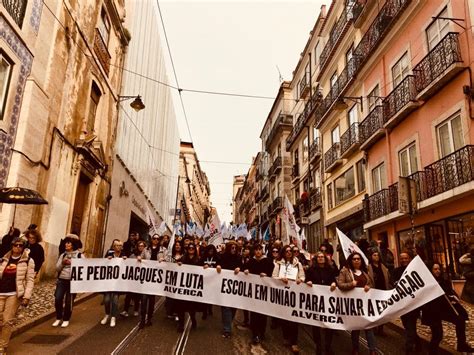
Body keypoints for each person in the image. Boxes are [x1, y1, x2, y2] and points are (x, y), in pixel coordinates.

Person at [422, 263, 474, 354]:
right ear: (431, 271)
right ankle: (432, 352)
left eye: (438, 269)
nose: (437, 271)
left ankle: (461, 344)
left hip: (444, 309)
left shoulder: (443, 281)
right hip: (433, 311)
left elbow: (450, 291)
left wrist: (454, 297)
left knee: (460, 320)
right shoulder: (428, 283)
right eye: (435, 269)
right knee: (438, 335)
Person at [0, 236, 35, 353]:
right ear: (12, 246)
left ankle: (2, 347)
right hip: (1, 292)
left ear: (23, 247)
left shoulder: (28, 260)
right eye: (16, 245)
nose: (18, 247)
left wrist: (27, 296)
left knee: (7, 320)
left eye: (21, 245)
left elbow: (30, 279)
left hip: (14, 294)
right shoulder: (4, 259)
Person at [337, 252, 376, 355]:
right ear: (351, 260)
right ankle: (355, 349)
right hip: (352, 305)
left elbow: (371, 284)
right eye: (354, 259)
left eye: (358, 259)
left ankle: (372, 350)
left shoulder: (365, 272)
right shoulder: (345, 271)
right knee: (356, 328)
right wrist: (351, 284)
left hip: (365, 304)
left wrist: (369, 287)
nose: (356, 260)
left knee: (368, 326)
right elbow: (340, 284)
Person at [272, 244, 305, 353]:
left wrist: (301, 280)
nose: (289, 253)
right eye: (286, 251)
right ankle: (286, 337)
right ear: (283, 253)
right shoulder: (278, 264)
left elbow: (302, 276)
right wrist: (281, 278)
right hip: (283, 293)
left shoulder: (298, 264)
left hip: (294, 293)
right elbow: (274, 277)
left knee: (294, 319)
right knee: (285, 318)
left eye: (290, 251)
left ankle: (294, 342)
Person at [305, 251, 338, 354]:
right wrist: (308, 282)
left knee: (329, 324)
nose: (320, 258)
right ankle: (318, 345)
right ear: (316, 259)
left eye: (322, 257)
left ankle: (328, 345)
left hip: (328, 300)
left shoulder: (331, 270)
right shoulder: (311, 270)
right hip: (315, 300)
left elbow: (335, 280)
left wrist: (333, 283)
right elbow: (307, 280)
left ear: (325, 258)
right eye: (318, 257)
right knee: (316, 324)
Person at [244, 243, 274, 344]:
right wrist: (246, 271)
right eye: (256, 250)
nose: (258, 251)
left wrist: (267, 275)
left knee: (263, 313)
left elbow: (273, 274)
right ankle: (255, 333)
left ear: (262, 251)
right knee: (254, 313)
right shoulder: (250, 261)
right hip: (253, 291)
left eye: (259, 249)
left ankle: (262, 332)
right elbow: (244, 271)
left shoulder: (268, 261)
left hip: (264, 291)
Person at [392, 252, 421, 354]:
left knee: (410, 326)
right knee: (407, 326)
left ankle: (409, 348)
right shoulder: (396, 271)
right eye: (402, 258)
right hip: (402, 304)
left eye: (406, 258)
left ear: (409, 259)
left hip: (413, 304)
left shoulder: (415, 270)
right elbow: (393, 284)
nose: (404, 260)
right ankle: (418, 343)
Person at [53, 234, 83, 328]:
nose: (66, 245)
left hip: (72, 282)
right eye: (66, 243)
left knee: (69, 301)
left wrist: (73, 263)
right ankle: (58, 317)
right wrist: (62, 263)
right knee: (58, 298)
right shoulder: (63, 255)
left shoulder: (80, 255)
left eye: (68, 243)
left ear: (73, 244)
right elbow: (57, 269)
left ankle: (66, 319)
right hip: (62, 280)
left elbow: (83, 268)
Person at [216, 241, 242, 338]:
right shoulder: (222, 257)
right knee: (226, 307)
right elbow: (218, 265)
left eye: (235, 248)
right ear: (228, 248)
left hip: (235, 287)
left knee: (233, 307)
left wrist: (240, 268)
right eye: (232, 248)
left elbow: (243, 268)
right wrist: (218, 267)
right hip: (224, 286)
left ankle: (227, 323)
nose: (234, 250)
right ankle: (227, 329)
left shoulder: (239, 258)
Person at [122, 241, 149, 318]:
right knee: (128, 295)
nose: (141, 247)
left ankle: (136, 310)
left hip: (141, 278)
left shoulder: (146, 255)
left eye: (142, 246)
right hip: (132, 278)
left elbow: (149, 262)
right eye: (139, 246)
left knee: (137, 295)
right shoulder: (133, 255)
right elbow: (128, 263)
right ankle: (125, 310)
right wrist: (125, 259)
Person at [176, 243, 200, 332]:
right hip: (183, 286)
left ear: (195, 249)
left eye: (192, 248)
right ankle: (181, 325)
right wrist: (178, 264)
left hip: (192, 287)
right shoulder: (183, 258)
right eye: (189, 248)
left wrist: (205, 267)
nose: (191, 249)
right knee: (180, 306)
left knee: (191, 308)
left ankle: (193, 319)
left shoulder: (198, 259)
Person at [101, 239, 125, 327]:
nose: (119, 247)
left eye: (120, 246)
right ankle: (107, 314)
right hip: (109, 282)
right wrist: (107, 260)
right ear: (114, 247)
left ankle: (113, 317)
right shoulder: (109, 254)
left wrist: (125, 260)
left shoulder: (124, 255)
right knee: (107, 300)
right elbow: (102, 264)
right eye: (117, 245)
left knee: (114, 300)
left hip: (118, 282)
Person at [367, 250, 390, 335]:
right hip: (373, 292)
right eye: (374, 255)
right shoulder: (368, 267)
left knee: (382, 311)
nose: (376, 256)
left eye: (377, 255)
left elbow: (388, 278)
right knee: (374, 310)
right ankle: (374, 327)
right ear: (371, 257)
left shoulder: (383, 267)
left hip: (383, 291)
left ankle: (381, 328)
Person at [200, 244, 220, 319]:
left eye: (212, 251)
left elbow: (220, 266)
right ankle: (204, 312)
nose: (211, 252)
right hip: (205, 280)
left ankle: (210, 308)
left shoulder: (217, 258)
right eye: (209, 250)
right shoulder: (203, 257)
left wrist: (217, 267)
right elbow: (198, 265)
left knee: (210, 296)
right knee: (205, 297)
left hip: (213, 280)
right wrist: (203, 266)